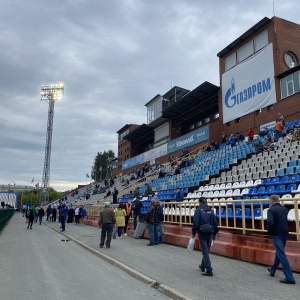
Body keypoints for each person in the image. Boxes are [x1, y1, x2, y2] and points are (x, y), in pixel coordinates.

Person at [267, 195, 296, 284]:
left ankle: (289, 277)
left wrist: (270, 232)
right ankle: (273, 269)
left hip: (276, 234)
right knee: (279, 253)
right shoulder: (284, 209)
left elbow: (270, 222)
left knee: (281, 254)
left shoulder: (271, 210)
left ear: (271, 200)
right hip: (284, 233)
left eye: (269, 200)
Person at [192, 197, 218, 276]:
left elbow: (195, 223)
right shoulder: (211, 210)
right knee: (207, 250)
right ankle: (203, 266)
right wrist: (214, 233)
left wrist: (193, 233)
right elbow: (215, 223)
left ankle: (209, 269)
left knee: (205, 251)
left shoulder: (198, 210)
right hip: (210, 232)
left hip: (202, 232)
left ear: (199, 202)